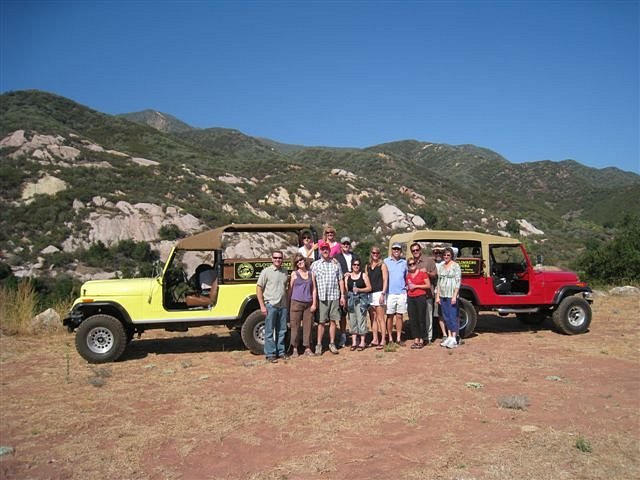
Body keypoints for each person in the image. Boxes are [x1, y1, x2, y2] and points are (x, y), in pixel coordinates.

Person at [311, 242, 346, 355]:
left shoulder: (336, 264)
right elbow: (312, 282)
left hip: (334, 295)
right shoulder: (315, 265)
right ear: (320, 251)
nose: (325, 251)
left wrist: (342, 295)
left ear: (329, 250)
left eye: (327, 249)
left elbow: (340, 279)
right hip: (321, 297)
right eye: (323, 249)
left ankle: (332, 343)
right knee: (321, 322)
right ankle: (319, 345)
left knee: (333, 321)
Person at [256, 250, 289, 363]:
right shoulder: (266, 272)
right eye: (275, 257)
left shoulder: (285, 272)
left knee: (282, 330)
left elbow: (286, 288)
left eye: (280, 258)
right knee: (269, 331)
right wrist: (262, 306)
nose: (278, 260)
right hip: (271, 305)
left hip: (283, 305)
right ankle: (270, 354)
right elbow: (259, 288)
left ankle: (281, 351)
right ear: (272, 259)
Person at [289, 253, 317, 357]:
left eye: (301, 260)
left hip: (308, 303)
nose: (300, 262)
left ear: (304, 260)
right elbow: (290, 290)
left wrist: (314, 303)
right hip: (296, 302)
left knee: (308, 326)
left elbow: (314, 289)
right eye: (297, 261)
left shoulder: (311, 274)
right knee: (295, 326)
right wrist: (289, 304)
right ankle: (295, 348)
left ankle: (307, 348)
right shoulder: (294, 274)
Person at [409, 242, 437, 343]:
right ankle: (419, 336)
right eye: (413, 251)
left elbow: (435, 274)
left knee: (428, 316)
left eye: (417, 250)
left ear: (420, 250)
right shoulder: (411, 262)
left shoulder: (428, 261)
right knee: (417, 317)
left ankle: (428, 337)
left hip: (427, 294)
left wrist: (427, 273)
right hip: (415, 295)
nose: (415, 252)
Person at [436, 246, 462, 349]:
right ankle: (449, 336)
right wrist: (437, 296)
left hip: (451, 294)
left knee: (452, 316)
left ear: (451, 256)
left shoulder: (455, 266)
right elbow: (439, 281)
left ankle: (454, 338)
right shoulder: (441, 266)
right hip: (443, 294)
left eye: (448, 255)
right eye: (445, 255)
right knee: (446, 316)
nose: (446, 257)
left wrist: (455, 295)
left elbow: (458, 281)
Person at [334, 236, 358, 348]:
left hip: (354, 288)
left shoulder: (355, 256)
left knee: (354, 312)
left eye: (347, 243)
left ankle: (355, 335)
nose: (346, 245)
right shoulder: (336, 258)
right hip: (342, 288)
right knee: (343, 313)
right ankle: (343, 336)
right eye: (344, 244)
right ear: (341, 245)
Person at [344, 259, 371, 351]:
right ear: (351, 266)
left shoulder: (363, 275)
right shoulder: (348, 277)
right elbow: (346, 290)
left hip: (361, 300)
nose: (356, 266)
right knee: (352, 320)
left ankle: (362, 342)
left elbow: (369, 288)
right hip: (351, 301)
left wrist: (360, 290)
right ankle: (354, 342)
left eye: (358, 265)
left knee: (361, 320)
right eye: (354, 264)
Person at [384, 242, 408, 345]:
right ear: (391, 250)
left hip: (401, 292)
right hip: (390, 293)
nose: (396, 251)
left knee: (399, 316)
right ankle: (390, 338)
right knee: (389, 316)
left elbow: (406, 276)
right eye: (394, 249)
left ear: (401, 251)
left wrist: (406, 287)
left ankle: (398, 338)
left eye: (398, 249)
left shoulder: (404, 262)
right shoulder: (386, 261)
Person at [366, 246, 388, 349]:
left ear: (379, 254)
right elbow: (366, 280)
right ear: (371, 253)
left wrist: (383, 293)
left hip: (379, 293)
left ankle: (383, 339)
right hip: (370, 294)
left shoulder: (382, 265)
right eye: (373, 253)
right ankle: (375, 338)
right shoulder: (367, 266)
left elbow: (385, 280)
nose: (375, 254)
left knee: (380, 318)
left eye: (377, 253)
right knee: (372, 318)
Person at [406, 257, 431, 349]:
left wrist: (416, 286)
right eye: (410, 264)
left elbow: (428, 285)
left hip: (420, 297)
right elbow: (407, 285)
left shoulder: (422, 273)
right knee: (413, 318)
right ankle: (416, 338)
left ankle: (422, 339)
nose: (412, 265)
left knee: (421, 318)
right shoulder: (408, 275)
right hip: (411, 297)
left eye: (413, 263)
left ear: (416, 264)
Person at [431, 244, 446, 339]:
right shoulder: (432, 263)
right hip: (435, 290)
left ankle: (449, 333)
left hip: (445, 290)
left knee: (445, 312)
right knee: (436, 312)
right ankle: (440, 332)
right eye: (436, 252)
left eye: (440, 252)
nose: (438, 254)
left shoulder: (446, 263)